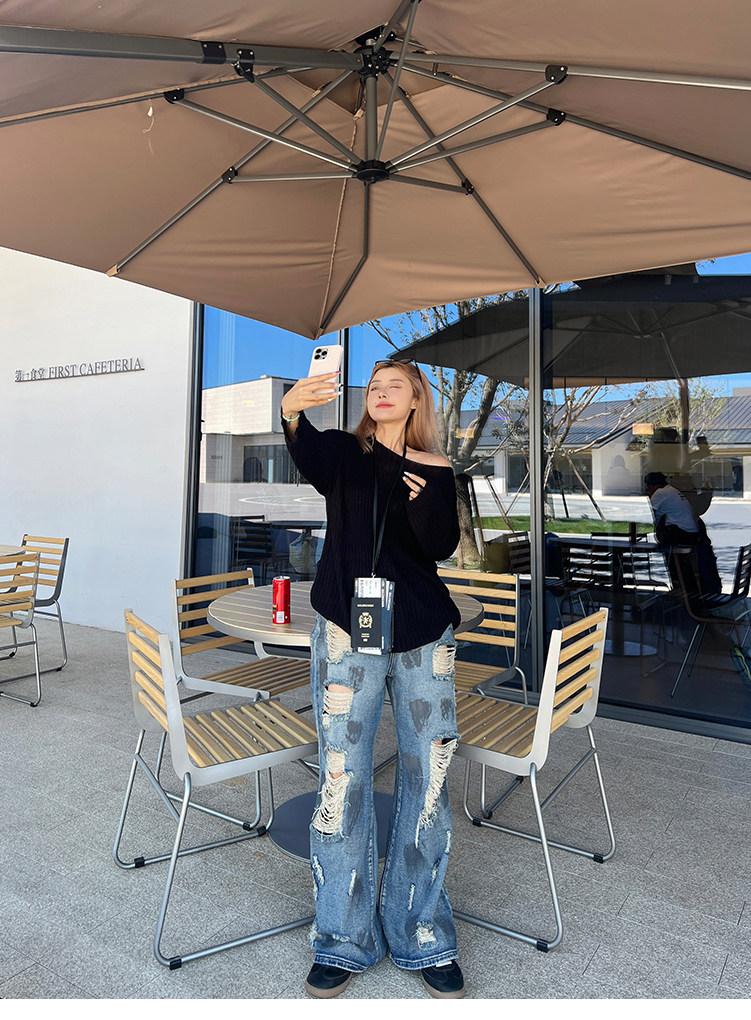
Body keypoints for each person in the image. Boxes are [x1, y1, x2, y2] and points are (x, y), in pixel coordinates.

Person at [281, 359, 465, 1000]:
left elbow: (440, 547)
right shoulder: (343, 454)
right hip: (346, 627)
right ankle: (342, 937)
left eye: (396, 386)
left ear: (416, 400)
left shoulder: (435, 468)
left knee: (428, 779)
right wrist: (291, 409)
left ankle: (422, 932)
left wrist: (422, 503)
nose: (381, 393)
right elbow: (304, 448)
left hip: (422, 632)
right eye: (375, 386)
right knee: (342, 777)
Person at [644, 471, 721, 598]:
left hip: (681, 533)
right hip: (691, 533)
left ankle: (680, 587)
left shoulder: (660, 493)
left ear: (653, 485)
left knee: (668, 551)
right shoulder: (672, 490)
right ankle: (683, 587)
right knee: (670, 551)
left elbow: (646, 514)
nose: (648, 490)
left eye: (648, 487)